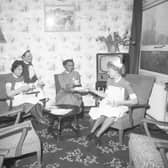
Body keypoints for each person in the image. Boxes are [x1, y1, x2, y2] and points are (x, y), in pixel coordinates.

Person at [87, 58, 138, 145]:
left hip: (119, 105)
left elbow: (135, 101)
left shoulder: (125, 83)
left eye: (109, 71)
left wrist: (119, 102)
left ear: (116, 71)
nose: (107, 73)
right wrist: (93, 90)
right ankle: (92, 132)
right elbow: (106, 95)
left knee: (112, 115)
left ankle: (98, 135)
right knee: (102, 113)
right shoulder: (109, 80)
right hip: (109, 102)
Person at [5, 60, 47, 124]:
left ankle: (41, 119)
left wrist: (35, 85)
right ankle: (41, 120)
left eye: (22, 69)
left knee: (36, 101)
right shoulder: (9, 78)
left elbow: (25, 88)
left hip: (22, 98)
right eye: (18, 69)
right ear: (14, 68)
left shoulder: (21, 78)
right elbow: (9, 94)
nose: (21, 71)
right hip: (13, 101)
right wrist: (20, 89)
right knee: (33, 102)